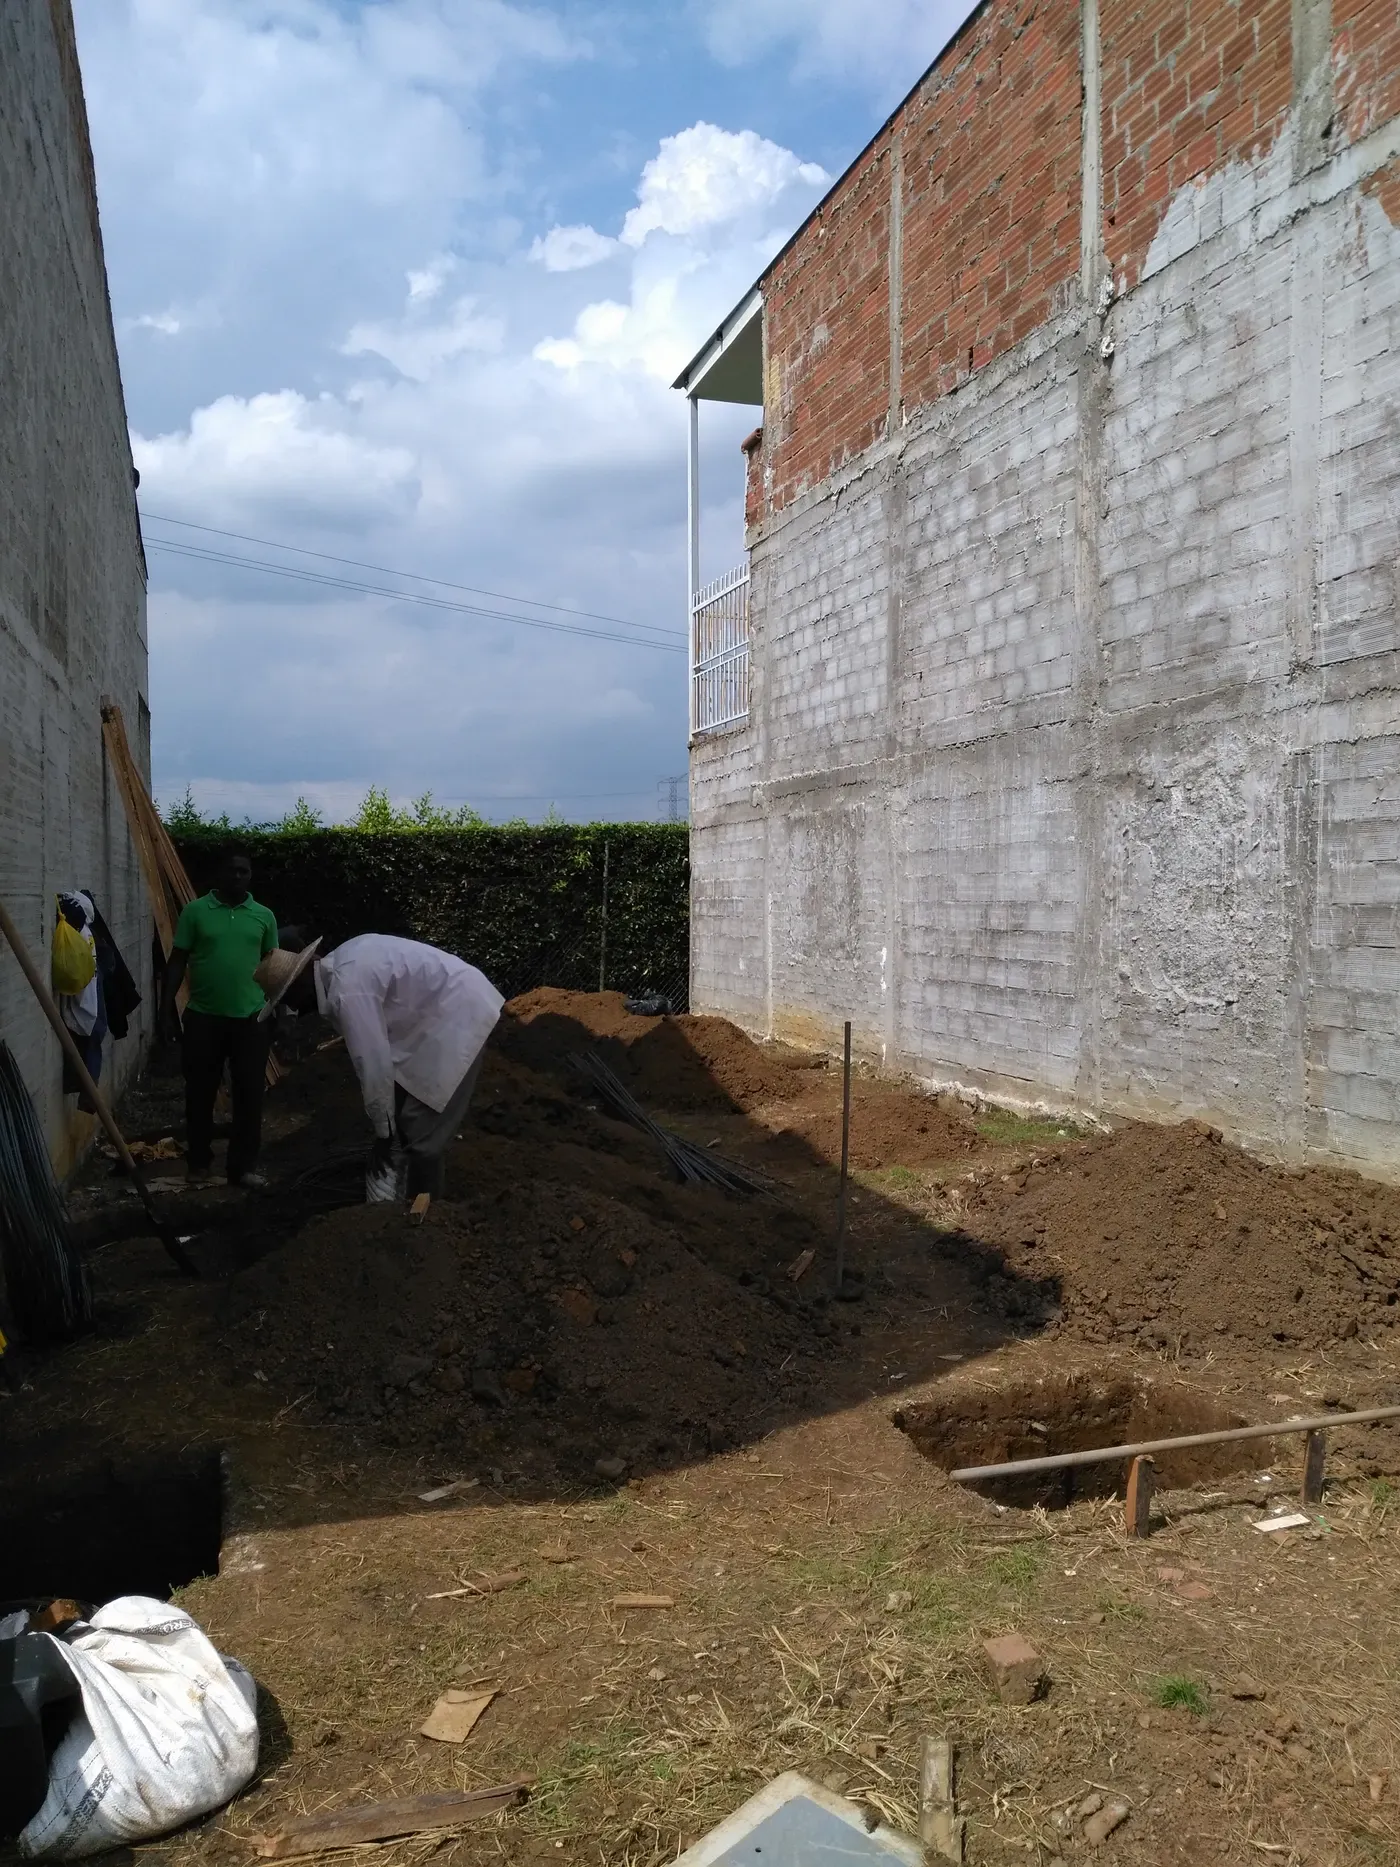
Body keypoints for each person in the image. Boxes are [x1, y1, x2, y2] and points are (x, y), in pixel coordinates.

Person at [262, 933, 502, 1202]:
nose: (292, 1008)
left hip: (457, 1014)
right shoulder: (344, 961)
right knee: (407, 1120)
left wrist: (384, 1136)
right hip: (435, 1015)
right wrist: (389, 1126)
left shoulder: (347, 991)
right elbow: (387, 1061)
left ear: (300, 984)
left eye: (287, 999)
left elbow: (373, 1064)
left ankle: (428, 1216)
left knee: (423, 1138)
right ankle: (410, 1196)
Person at [159, 852, 278, 1188]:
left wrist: (275, 1012)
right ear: (219, 873)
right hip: (203, 1018)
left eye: (244, 872)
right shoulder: (195, 912)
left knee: (250, 1096)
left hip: (251, 1020)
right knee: (199, 1094)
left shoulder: (263, 916)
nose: (238, 877)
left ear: (250, 876)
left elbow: (272, 966)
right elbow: (177, 960)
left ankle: (242, 1168)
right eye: (232, 870)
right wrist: (166, 1010)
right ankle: (198, 1164)